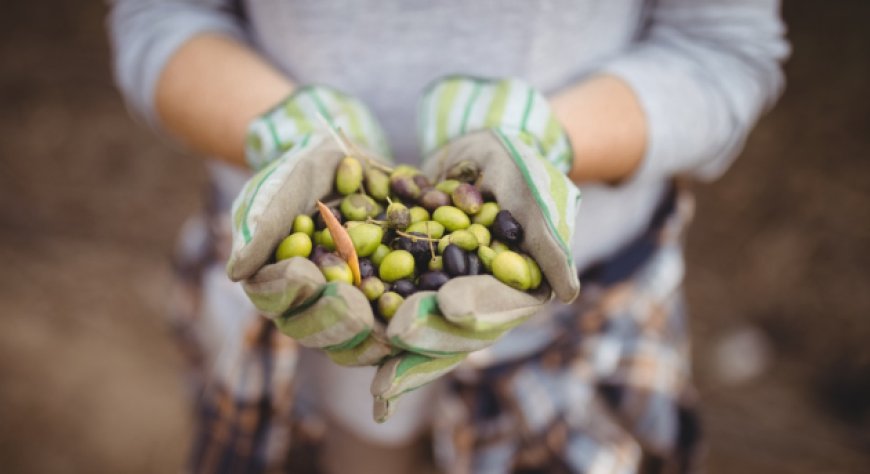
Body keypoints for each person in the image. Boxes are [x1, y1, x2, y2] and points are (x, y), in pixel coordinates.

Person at [109, 1, 789, 472]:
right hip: (294, 339)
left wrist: (550, 135)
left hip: (577, 332)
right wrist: (279, 126)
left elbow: (725, 49)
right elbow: (161, 14)